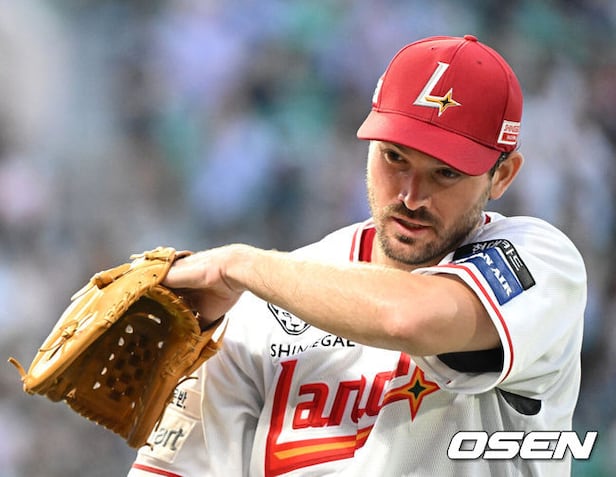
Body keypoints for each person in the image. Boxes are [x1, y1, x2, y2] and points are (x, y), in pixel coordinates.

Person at [128, 35, 587, 477]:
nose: (411, 196)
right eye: (395, 158)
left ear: (503, 175)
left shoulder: (541, 262)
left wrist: (240, 265)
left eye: (445, 173)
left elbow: (408, 318)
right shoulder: (261, 308)